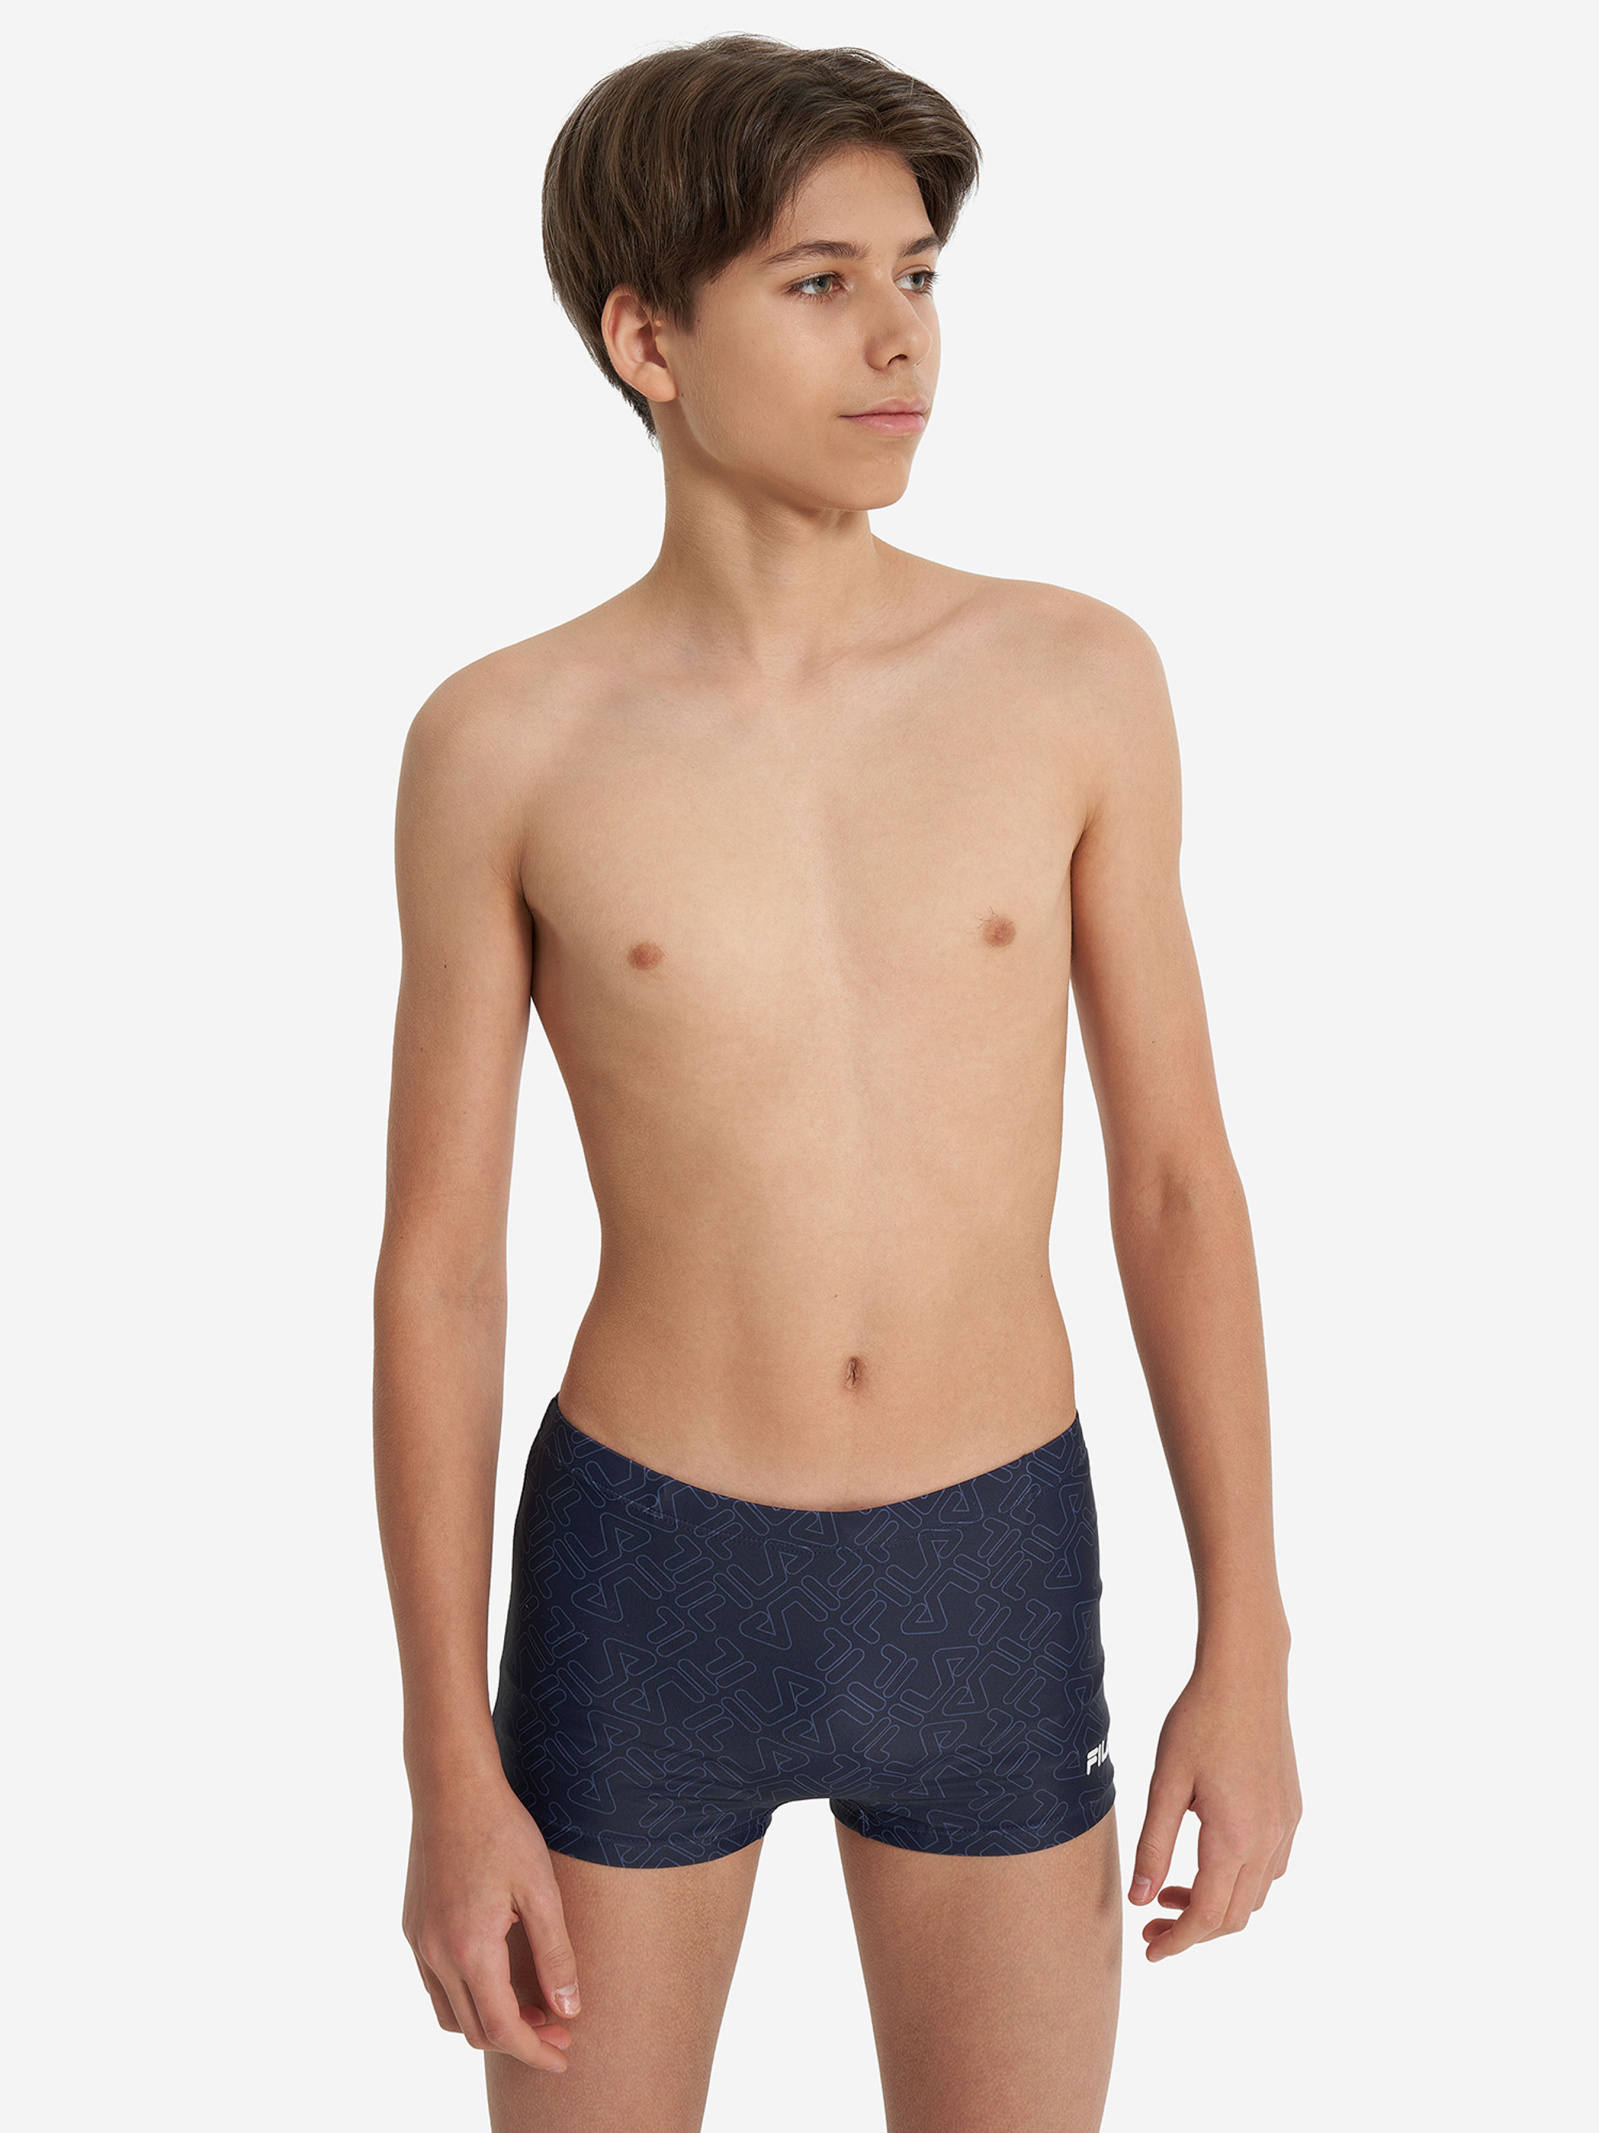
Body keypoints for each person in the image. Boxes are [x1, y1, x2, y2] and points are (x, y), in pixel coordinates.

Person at [372, 32, 1300, 2132]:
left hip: (989, 1558)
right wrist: (445, 1755)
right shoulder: (503, 741)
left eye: (918, 276)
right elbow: (440, 1266)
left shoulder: (1072, 677)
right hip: (646, 1568)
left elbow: (1175, 1180)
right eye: (817, 283)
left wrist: (1245, 1637)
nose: (900, 340)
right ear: (647, 338)